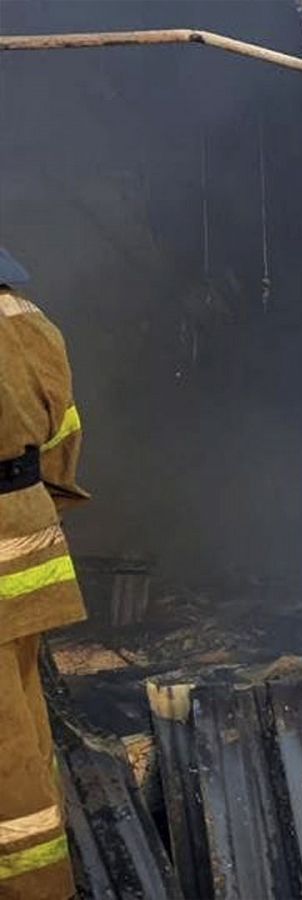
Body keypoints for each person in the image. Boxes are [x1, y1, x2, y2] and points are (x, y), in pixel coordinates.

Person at [0, 250, 88, 899]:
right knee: (24, 723)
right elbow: (63, 437)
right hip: (30, 547)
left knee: (6, 757)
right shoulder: (32, 320)